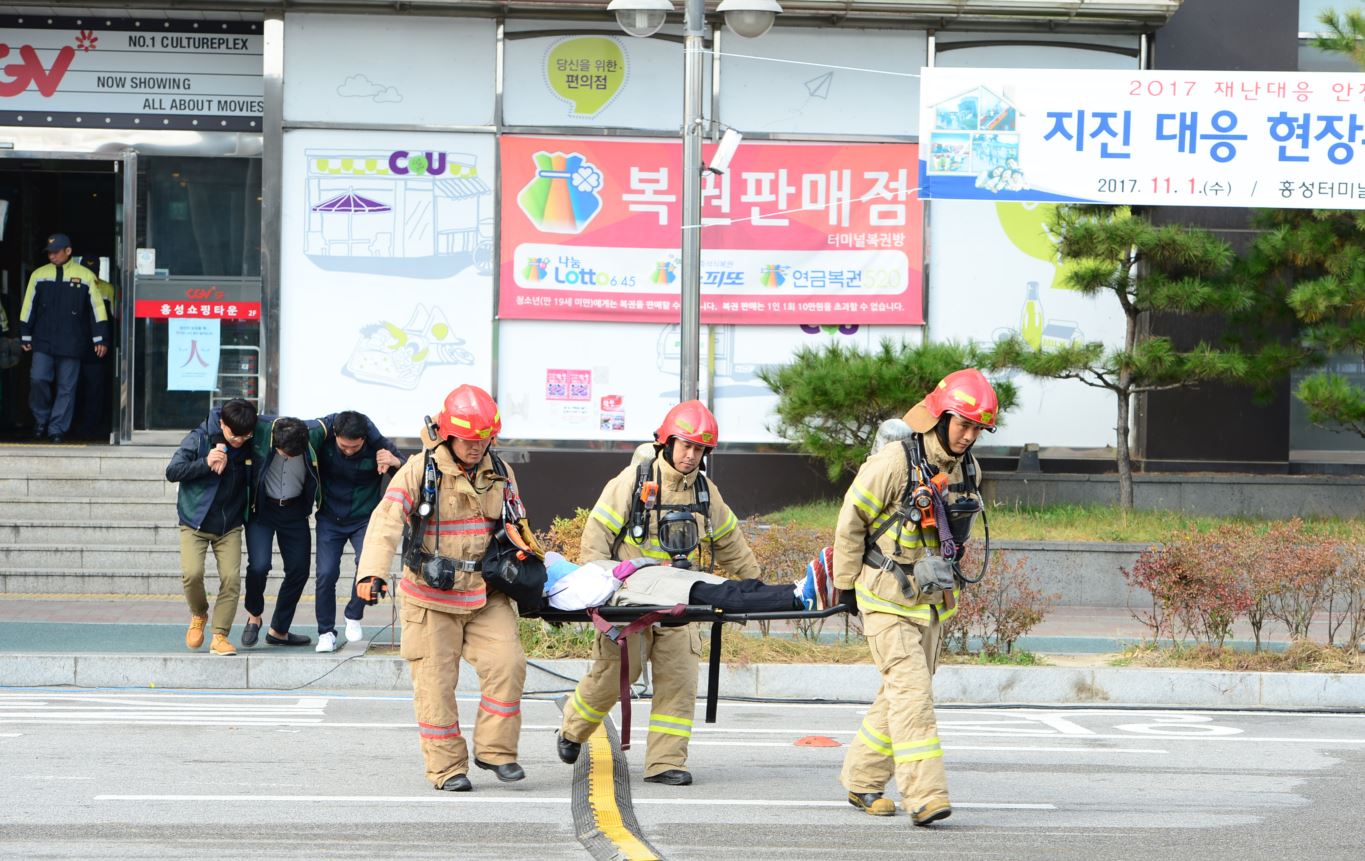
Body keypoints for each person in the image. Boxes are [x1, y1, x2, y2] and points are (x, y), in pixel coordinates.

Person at [556, 400, 761, 786]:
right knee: (618, 672)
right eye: (685, 445)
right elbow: (594, 544)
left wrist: (757, 588)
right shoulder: (631, 483)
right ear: (666, 442)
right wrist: (601, 592)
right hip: (631, 602)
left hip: (681, 601)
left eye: (699, 449)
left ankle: (665, 762)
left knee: (679, 678)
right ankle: (572, 728)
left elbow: (730, 542)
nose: (691, 456)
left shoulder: (704, 491)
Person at [833, 368, 996, 827]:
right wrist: (846, 588)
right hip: (884, 596)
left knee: (900, 694)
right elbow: (851, 522)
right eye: (962, 424)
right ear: (938, 417)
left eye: (977, 429)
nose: (968, 436)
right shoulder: (894, 462)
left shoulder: (969, 469)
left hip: (930, 601)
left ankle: (862, 780)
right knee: (913, 694)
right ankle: (925, 796)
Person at [353, 384, 528, 792]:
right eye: (468, 439)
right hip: (430, 598)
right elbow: (386, 519)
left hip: (486, 593)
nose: (475, 446)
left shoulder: (500, 470)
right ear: (448, 433)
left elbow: (517, 524)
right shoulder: (419, 469)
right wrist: (371, 574)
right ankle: (448, 769)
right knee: (435, 685)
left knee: (508, 663)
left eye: (483, 438)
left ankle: (496, 752)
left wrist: (535, 571)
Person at [165, 398, 259, 657]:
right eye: (233, 434)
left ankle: (220, 635)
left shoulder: (250, 439)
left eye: (246, 435)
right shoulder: (199, 438)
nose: (239, 440)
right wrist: (205, 462)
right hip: (194, 520)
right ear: (221, 425)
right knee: (192, 573)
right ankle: (199, 613)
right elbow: (172, 470)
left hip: (230, 524)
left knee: (231, 579)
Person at [312, 410, 403, 653]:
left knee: (368, 568)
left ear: (364, 439)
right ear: (336, 436)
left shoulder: (378, 446)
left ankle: (354, 614)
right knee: (326, 573)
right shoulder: (324, 442)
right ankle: (325, 632)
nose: (348, 450)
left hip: (365, 520)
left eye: (354, 446)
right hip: (330, 518)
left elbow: (406, 474)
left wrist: (395, 463)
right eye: (344, 446)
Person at [241, 415, 327, 648]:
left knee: (299, 570)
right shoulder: (261, 429)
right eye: (283, 452)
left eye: (293, 454)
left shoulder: (314, 432)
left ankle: (279, 630)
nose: (288, 456)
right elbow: (223, 414)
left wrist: (385, 450)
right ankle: (254, 616)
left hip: (294, 511)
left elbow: (343, 420)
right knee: (259, 566)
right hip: (263, 509)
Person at [19, 233, 109, 442]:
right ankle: (41, 419)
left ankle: (57, 428)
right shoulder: (39, 275)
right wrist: (25, 334)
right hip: (43, 340)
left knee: (67, 387)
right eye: (49, 252)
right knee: (38, 379)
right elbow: (28, 306)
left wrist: (100, 338)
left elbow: (97, 309)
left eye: (56, 252)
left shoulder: (85, 276)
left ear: (68, 251)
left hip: (72, 341)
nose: (51, 256)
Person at [74, 256, 116, 440]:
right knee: (73, 389)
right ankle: (75, 424)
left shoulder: (107, 288)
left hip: (97, 350)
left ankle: (92, 426)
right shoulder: (73, 286)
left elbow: (114, 320)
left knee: (94, 390)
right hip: (74, 347)